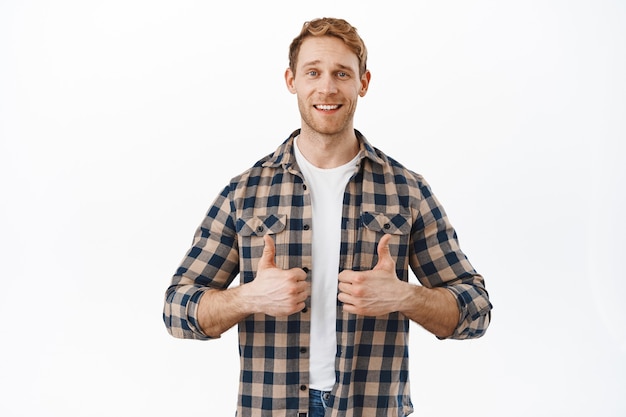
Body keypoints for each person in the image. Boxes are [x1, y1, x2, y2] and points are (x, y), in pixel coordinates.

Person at [163, 17, 492, 417]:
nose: (327, 87)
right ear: (291, 80)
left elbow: (475, 310)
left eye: (342, 74)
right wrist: (248, 296)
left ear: (363, 83)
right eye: (313, 72)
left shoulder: (407, 191)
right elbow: (177, 309)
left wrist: (405, 296)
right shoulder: (244, 193)